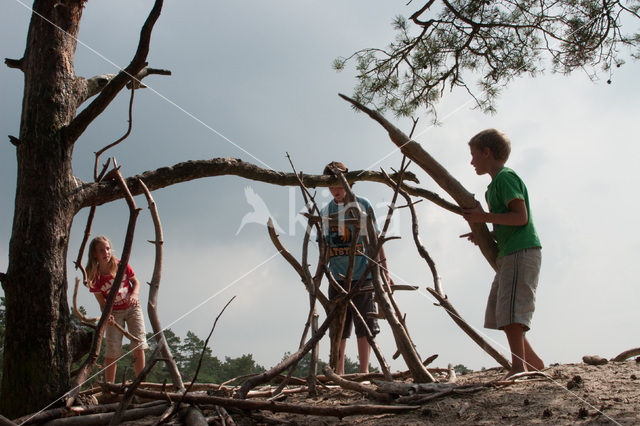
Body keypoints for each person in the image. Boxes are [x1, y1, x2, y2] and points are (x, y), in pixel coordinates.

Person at [460, 129, 544, 378]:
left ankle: (519, 367)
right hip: (508, 253)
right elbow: (506, 223)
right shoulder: (492, 187)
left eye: (474, 155)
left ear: (487, 153)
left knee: (512, 313)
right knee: (502, 311)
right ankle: (534, 363)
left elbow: (520, 217)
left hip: (522, 250)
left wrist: (482, 217)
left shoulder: (506, 178)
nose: (472, 161)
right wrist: (485, 234)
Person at [320, 161, 394, 375]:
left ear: (349, 183)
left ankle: (364, 373)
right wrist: (318, 275)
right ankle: (339, 372)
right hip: (337, 277)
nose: (336, 190)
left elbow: (376, 241)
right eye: (331, 186)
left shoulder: (363, 205)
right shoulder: (327, 211)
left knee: (366, 327)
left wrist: (385, 272)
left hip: (363, 276)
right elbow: (324, 246)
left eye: (340, 184)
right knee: (339, 329)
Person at [85, 236, 148, 383]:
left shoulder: (120, 265)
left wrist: (135, 293)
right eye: (101, 250)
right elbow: (102, 302)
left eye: (107, 249)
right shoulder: (94, 277)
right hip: (114, 312)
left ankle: (141, 383)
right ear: (95, 254)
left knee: (138, 343)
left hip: (132, 307)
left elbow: (135, 282)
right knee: (112, 349)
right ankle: (109, 385)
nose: (106, 252)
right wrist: (107, 315)